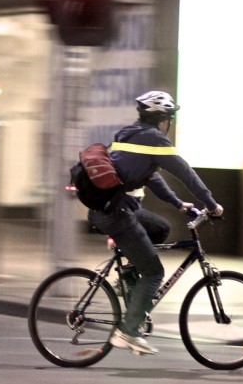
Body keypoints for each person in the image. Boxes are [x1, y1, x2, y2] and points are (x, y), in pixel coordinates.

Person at [88, 90, 223, 355]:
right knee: (154, 273)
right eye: (170, 118)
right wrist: (212, 204)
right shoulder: (155, 140)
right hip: (116, 213)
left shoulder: (129, 133)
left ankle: (128, 275)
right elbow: (187, 174)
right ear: (163, 119)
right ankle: (128, 333)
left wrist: (177, 203)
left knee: (160, 228)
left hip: (105, 208)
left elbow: (150, 176)